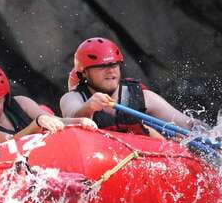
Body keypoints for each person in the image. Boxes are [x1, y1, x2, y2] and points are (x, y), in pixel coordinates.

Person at [0, 63, 97, 154]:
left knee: (46, 113)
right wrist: (37, 123)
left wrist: (80, 121)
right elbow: (9, 143)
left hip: (31, 168)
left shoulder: (21, 103)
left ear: (5, 97)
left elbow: (56, 121)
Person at [59, 37, 198, 136]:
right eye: (101, 67)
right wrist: (89, 107)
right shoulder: (73, 97)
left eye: (114, 65)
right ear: (84, 72)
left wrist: (209, 133)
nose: (110, 71)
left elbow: (186, 124)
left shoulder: (141, 96)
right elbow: (71, 116)